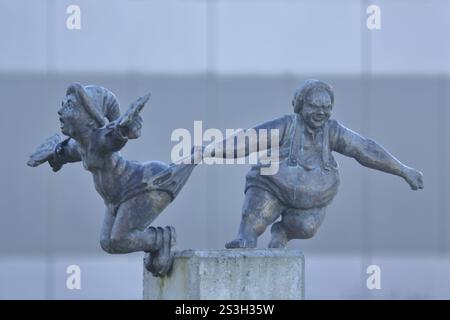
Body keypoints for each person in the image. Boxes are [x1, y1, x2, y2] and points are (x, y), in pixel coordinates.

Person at [203, 79, 424, 249]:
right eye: (314, 106)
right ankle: (245, 238)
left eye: (327, 107)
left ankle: (283, 232)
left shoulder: (333, 131)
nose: (321, 112)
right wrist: (209, 150)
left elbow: (365, 149)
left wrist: (403, 170)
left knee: (307, 227)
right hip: (272, 186)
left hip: (312, 199)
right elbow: (248, 140)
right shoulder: (286, 126)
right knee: (253, 223)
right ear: (301, 105)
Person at [28, 83, 201, 276]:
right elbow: (63, 153)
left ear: (88, 118)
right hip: (116, 199)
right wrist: (53, 155)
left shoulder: (100, 139)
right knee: (107, 243)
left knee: (119, 239)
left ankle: (163, 239)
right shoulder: (80, 146)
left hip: (144, 185)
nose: (60, 111)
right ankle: (156, 244)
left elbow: (114, 138)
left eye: (69, 106)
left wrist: (123, 129)